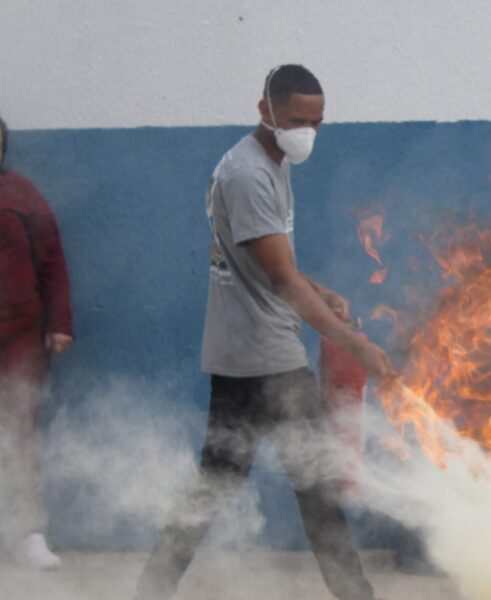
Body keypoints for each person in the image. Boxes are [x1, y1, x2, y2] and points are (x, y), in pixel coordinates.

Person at [135, 65, 394, 600]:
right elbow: (279, 277)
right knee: (317, 493)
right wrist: (357, 345)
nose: (309, 133)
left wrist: (318, 291)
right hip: (267, 358)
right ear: (265, 110)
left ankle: (150, 589)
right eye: (299, 120)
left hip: (242, 354)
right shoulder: (249, 174)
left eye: (318, 123)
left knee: (214, 486)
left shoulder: (264, 162)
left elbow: (263, 259)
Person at [0, 115, 74, 570]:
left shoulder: (23, 195)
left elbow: (52, 261)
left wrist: (59, 323)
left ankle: (27, 534)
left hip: (19, 337)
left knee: (19, 434)